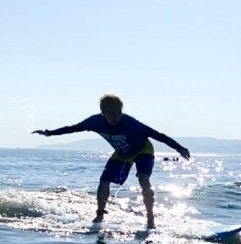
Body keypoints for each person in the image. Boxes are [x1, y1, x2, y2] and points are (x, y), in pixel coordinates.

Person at [33, 94, 190, 229]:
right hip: (122, 153)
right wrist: (49, 133)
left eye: (118, 113)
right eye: (111, 114)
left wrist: (179, 148)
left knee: (143, 178)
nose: (115, 117)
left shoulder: (130, 123)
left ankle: (150, 218)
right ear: (103, 113)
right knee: (104, 181)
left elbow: (158, 135)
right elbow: (73, 128)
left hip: (143, 150)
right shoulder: (95, 122)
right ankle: (100, 214)